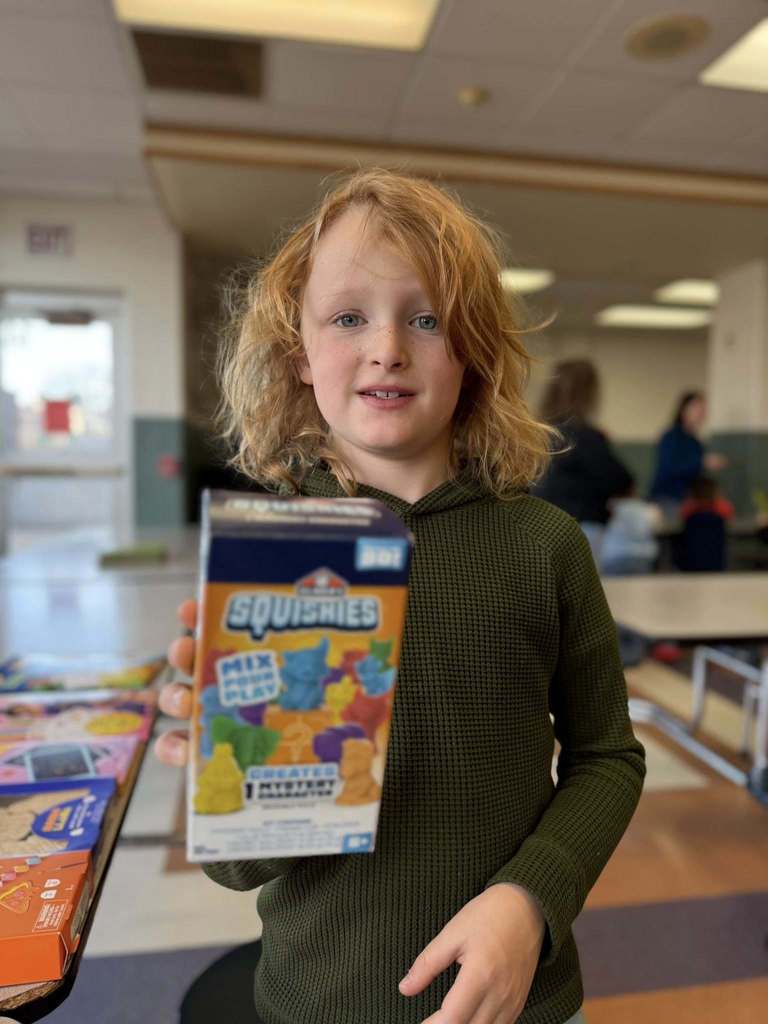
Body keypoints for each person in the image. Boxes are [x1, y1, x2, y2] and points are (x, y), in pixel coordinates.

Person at [155, 169, 645, 1024]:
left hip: (517, 999)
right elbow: (238, 869)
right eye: (349, 318)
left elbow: (608, 757)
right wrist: (223, 769)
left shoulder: (545, 546)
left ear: (472, 351)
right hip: (320, 999)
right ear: (300, 356)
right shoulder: (271, 559)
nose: (387, 347)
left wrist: (531, 899)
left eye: (426, 318)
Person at [533, 359, 633, 561]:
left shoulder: (535, 436)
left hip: (539, 527)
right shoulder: (585, 437)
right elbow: (620, 481)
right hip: (581, 527)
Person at [649, 391, 727, 519]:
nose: (701, 413)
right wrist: (702, 462)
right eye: (696, 408)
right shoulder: (670, 437)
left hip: (689, 501)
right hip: (667, 499)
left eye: (703, 409)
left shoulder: (696, 443)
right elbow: (670, 467)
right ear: (683, 410)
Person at [677, 475, 734, 572]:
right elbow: (729, 516)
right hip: (716, 559)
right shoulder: (722, 507)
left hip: (691, 560)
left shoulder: (688, 508)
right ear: (715, 492)